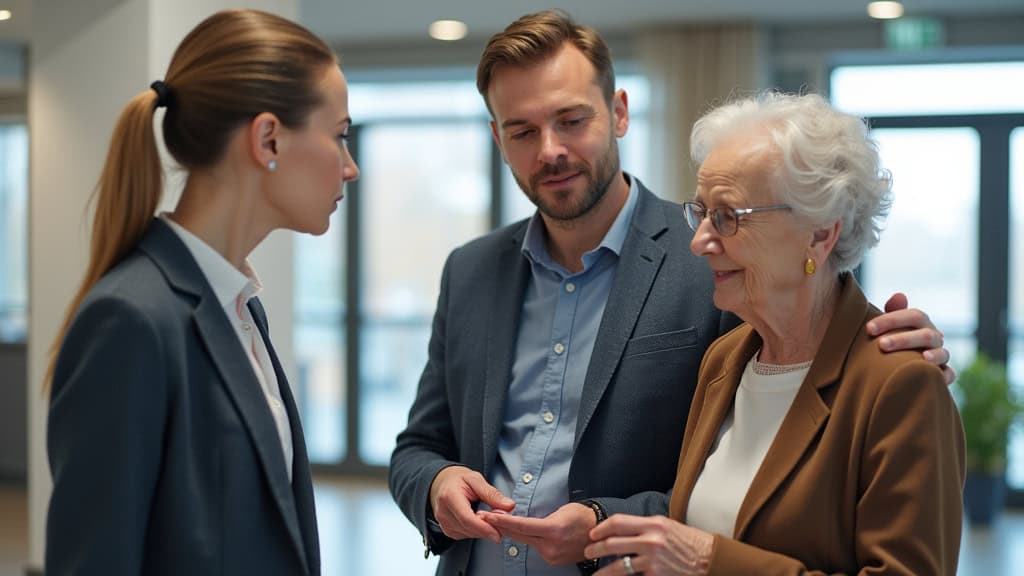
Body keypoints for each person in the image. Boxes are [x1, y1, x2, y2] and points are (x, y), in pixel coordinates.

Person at [389, 10, 952, 576]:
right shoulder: (471, 271)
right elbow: (418, 445)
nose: (550, 150)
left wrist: (613, 524)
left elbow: (817, 343)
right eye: (523, 131)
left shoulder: (717, 274)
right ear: (498, 138)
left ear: (619, 112)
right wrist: (437, 484)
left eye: (571, 120)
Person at [583, 92, 965, 575]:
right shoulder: (725, 360)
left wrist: (707, 561)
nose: (699, 242)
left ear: (820, 234)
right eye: (701, 213)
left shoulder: (901, 385)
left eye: (728, 217)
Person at [44, 9, 358, 576]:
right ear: (268, 138)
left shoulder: (241, 307)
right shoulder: (131, 319)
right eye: (339, 136)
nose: (350, 167)